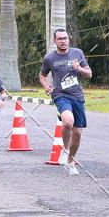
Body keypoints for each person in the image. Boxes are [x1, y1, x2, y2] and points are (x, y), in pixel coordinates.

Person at [39, 28, 92, 176]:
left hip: (77, 96)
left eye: (65, 38)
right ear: (54, 41)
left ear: (68, 39)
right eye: (60, 39)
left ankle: (70, 161)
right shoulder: (49, 58)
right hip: (60, 95)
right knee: (68, 122)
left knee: (77, 133)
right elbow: (42, 75)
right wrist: (46, 86)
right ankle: (65, 149)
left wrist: (79, 68)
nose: (63, 41)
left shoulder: (78, 53)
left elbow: (89, 74)